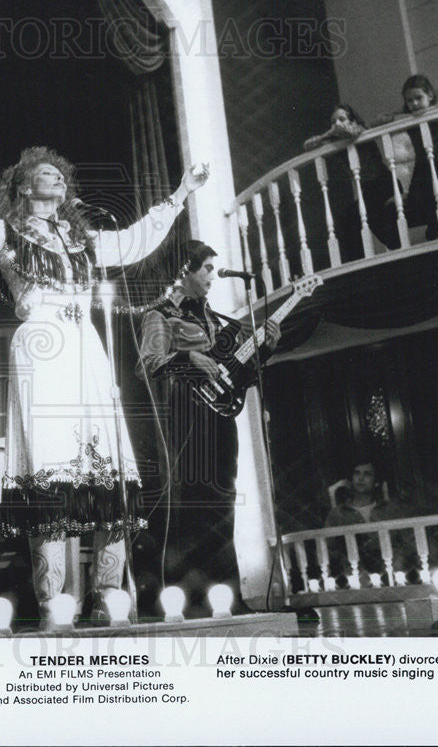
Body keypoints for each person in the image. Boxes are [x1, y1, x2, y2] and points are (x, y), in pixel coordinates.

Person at [0, 128, 210, 629]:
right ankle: (53, 604)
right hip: (41, 349)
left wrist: (182, 192)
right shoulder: (4, 234)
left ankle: (110, 598)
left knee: (106, 473)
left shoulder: (82, 238)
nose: (57, 178)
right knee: (53, 474)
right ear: (22, 186)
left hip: (87, 350)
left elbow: (133, 240)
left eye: (61, 174)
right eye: (45, 173)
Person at [136, 240, 280, 615]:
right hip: (185, 413)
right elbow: (148, 364)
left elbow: (233, 372)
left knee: (223, 503)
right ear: (185, 270)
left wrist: (265, 348)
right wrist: (188, 357)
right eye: (207, 269)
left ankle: (228, 597)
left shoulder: (214, 319)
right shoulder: (161, 314)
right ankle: (193, 599)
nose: (213, 277)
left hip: (218, 416)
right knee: (195, 504)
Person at [375, 75, 438, 240]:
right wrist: (389, 117)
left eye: (418, 98)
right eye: (409, 100)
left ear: (430, 95)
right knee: (419, 197)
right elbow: (375, 123)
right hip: (423, 168)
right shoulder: (407, 117)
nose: (414, 104)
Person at [303, 103, 400, 255]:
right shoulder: (335, 141)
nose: (337, 124)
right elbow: (308, 145)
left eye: (342, 119)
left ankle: (396, 246)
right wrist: (326, 136)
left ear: (353, 120)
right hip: (367, 189)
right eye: (333, 122)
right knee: (350, 217)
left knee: (363, 213)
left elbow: (352, 132)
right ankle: (382, 250)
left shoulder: (360, 130)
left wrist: (334, 132)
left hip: (384, 182)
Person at [324, 459, 414, 585]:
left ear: (376, 482)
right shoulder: (337, 514)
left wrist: (398, 560)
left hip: (392, 569)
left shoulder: (391, 510)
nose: (360, 478)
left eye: (367, 474)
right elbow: (329, 549)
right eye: (357, 473)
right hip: (354, 573)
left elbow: (408, 540)